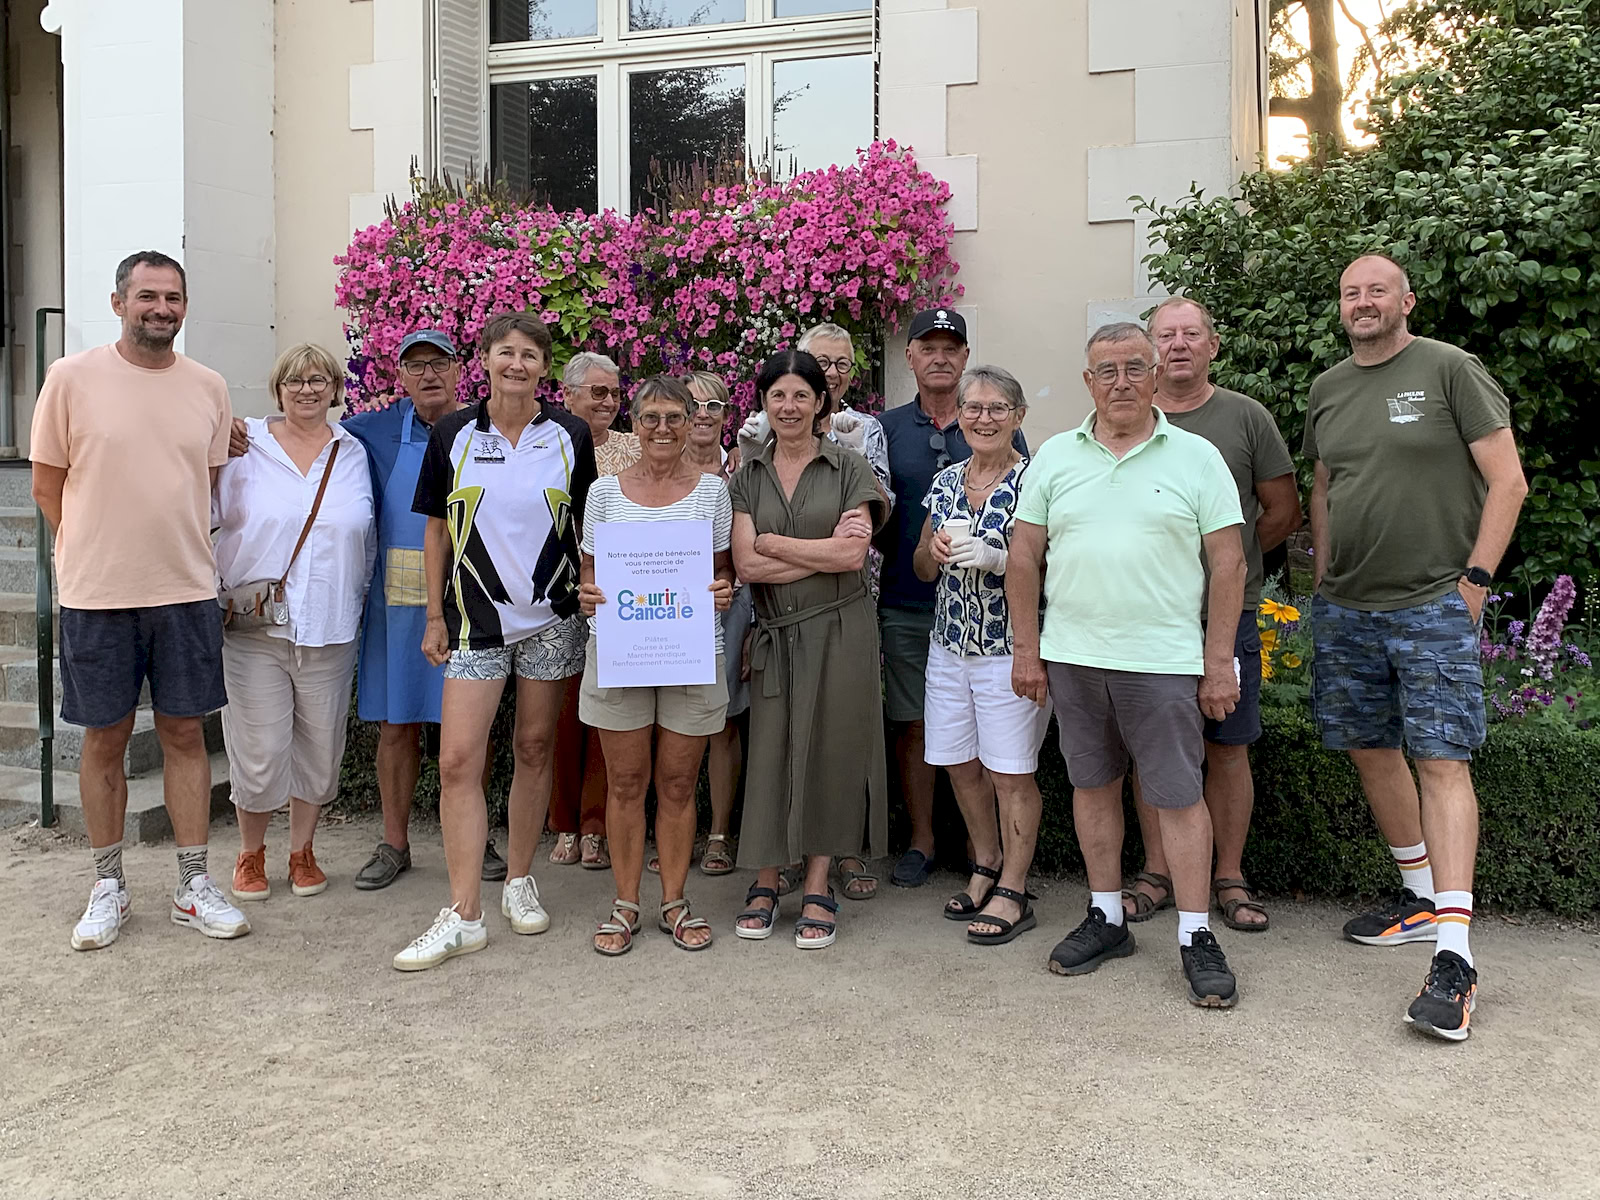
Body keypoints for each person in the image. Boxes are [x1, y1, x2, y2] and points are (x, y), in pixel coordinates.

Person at [1305, 253, 1527, 1041]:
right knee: (1370, 748)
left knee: (1441, 760)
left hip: (1433, 601)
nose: (1362, 301)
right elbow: (1326, 487)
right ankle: (1420, 898)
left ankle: (1456, 958)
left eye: (1376, 290)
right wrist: (1323, 580)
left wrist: (1472, 583)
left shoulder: (1449, 369)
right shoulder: (1328, 388)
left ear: (1406, 300)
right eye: (1350, 291)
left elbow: (1509, 480)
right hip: (1349, 608)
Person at [1009, 323, 1247, 1008]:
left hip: (1163, 660)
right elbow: (1024, 556)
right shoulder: (1054, 456)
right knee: (1092, 787)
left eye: (1133, 368)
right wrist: (1029, 648)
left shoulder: (1196, 456)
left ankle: (1197, 934)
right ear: (1088, 381)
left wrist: (1218, 660)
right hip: (1074, 658)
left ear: (1155, 376)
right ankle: (1107, 915)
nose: (1120, 382)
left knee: (1177, 795)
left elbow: (1227, 562)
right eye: (1105, 370)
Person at [31, 249, 249, 949]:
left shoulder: (209, 387)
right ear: (119, 301)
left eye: (174, 298)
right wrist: (88, 551)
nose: (162, 309)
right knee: (105, 740)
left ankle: (192, 885)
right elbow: (45, 485)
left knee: (187, 735)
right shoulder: (70, 378)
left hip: (185, 588)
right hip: (98, 596)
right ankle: (107, 886)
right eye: (148, 296)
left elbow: (207, 482)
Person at [392, 312, 597, 971]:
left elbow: (589, 522)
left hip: (553, 619)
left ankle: (517, 880)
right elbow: (433, 530)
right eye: (505, 352)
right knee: (457, 761)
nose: (517, 364)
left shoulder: (570, 434)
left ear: (544, 366)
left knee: (535, 748)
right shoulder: (453, 432)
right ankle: (462, 912)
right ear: (484, 359)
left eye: (530, 355)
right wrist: (432, 617)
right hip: (473, 622)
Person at [1122, 297, 1302, 930]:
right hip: (1148, 617)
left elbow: (1281, 511)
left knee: (1227, 748)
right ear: (1148, 351)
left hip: (1226, 615)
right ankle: (1158, 871)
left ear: (1213, 346)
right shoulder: (1124, 420)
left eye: (1191, 334)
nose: (1178, 346)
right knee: (1154, 753)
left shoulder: (1245, 418)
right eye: (1165, 336)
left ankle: (1229, 875)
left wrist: (1235, 564)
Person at [331, 330, 506, 890]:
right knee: (396, 725)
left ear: (460, 371)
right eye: (415, 366)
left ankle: (477, 837)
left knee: (472, 731)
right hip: (399, 607)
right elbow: (304, 433)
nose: (428, 374)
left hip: (474, 597)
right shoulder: (369, 431)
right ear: (399, 376)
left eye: (439, 363)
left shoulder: (490, 426)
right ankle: (395, 842)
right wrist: (243, 434)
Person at [730, 350, 888, 949]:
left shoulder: (849, 466)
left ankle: (818, 880)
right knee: (769, 749)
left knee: (829, 748)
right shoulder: (747, 476)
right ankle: (768, 878)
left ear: (821, 402)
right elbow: (746, 565)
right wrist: (812, 548)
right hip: (773, 632)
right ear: (765, 404)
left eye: (801, 395)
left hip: (841, 628)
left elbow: (854, 556)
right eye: (778, 396)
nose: (789, 406)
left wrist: (774, 541)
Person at [578, 376, 735, 954]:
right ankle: (625, 904)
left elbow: (724, 570)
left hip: (691, 651)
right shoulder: (604, 494)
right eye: (652, 418)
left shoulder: (713, 492)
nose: (663, 428)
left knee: (675, 783)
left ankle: (673, 900)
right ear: (636, 424)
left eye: (675, 417)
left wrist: (723, 590)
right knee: (624, 782)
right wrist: (587, 594)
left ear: (692, 420)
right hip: (621, 650)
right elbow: (591, 573)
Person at [214, 344, 376, 901]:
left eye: (318, 380)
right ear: (277, 388)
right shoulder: (242, 445)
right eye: (294, 380)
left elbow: (369, 537)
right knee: (258, 748)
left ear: (335, 388)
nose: (307, 390)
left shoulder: (354, 451)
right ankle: (250, 853)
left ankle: (302, 850)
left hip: (331, 624)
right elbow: (200, 513)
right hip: (257, 629)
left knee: (320, 746)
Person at [877, 308, 1027, 888]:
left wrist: (995, 558)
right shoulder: (890, 433)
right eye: (927, 346)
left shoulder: (1024, 461)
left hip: (1000, 635)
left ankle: (994, 865)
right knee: (932, 740)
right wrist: (931, 552)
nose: (940, 356)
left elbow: (1041, 553)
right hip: (923, 616)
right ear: (910, 356)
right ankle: (944, 848)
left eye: (951, 347)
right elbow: (895, 531)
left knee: (1001, 759)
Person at [911, 365, 1050, 944]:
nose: (984, 418)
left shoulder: (1038, 480)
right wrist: (937, 550)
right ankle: (986, 864)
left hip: (1007, 649)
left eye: (997, 409)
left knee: (1010, 771)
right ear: (959, 416)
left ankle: (1015, 888)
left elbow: (1056, 569)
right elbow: (919, 567)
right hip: (949, 647)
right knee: (958, 763)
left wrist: (1000, 558)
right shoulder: (945, 483)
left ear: (1018, 417)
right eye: (973, 408)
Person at [547, 351, 631, 870]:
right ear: (568, 394)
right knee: (558, 715)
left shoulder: (634, 446)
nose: (608, 402)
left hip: (616, 603)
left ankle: (596, 825)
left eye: (615, 394)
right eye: (597, 392)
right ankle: (563, 823)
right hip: (555, 598)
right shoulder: (545, 447)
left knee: (606, 714)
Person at [683, 371, 745, 877]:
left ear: (729, 415)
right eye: (693, 404)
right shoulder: (659, 471)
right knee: (672, 724)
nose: (703, 413)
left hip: (733, 609)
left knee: (722, 723)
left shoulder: (745, 470)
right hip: (668, 614)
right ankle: (676, 830)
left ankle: (720, 834)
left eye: (715, 404)